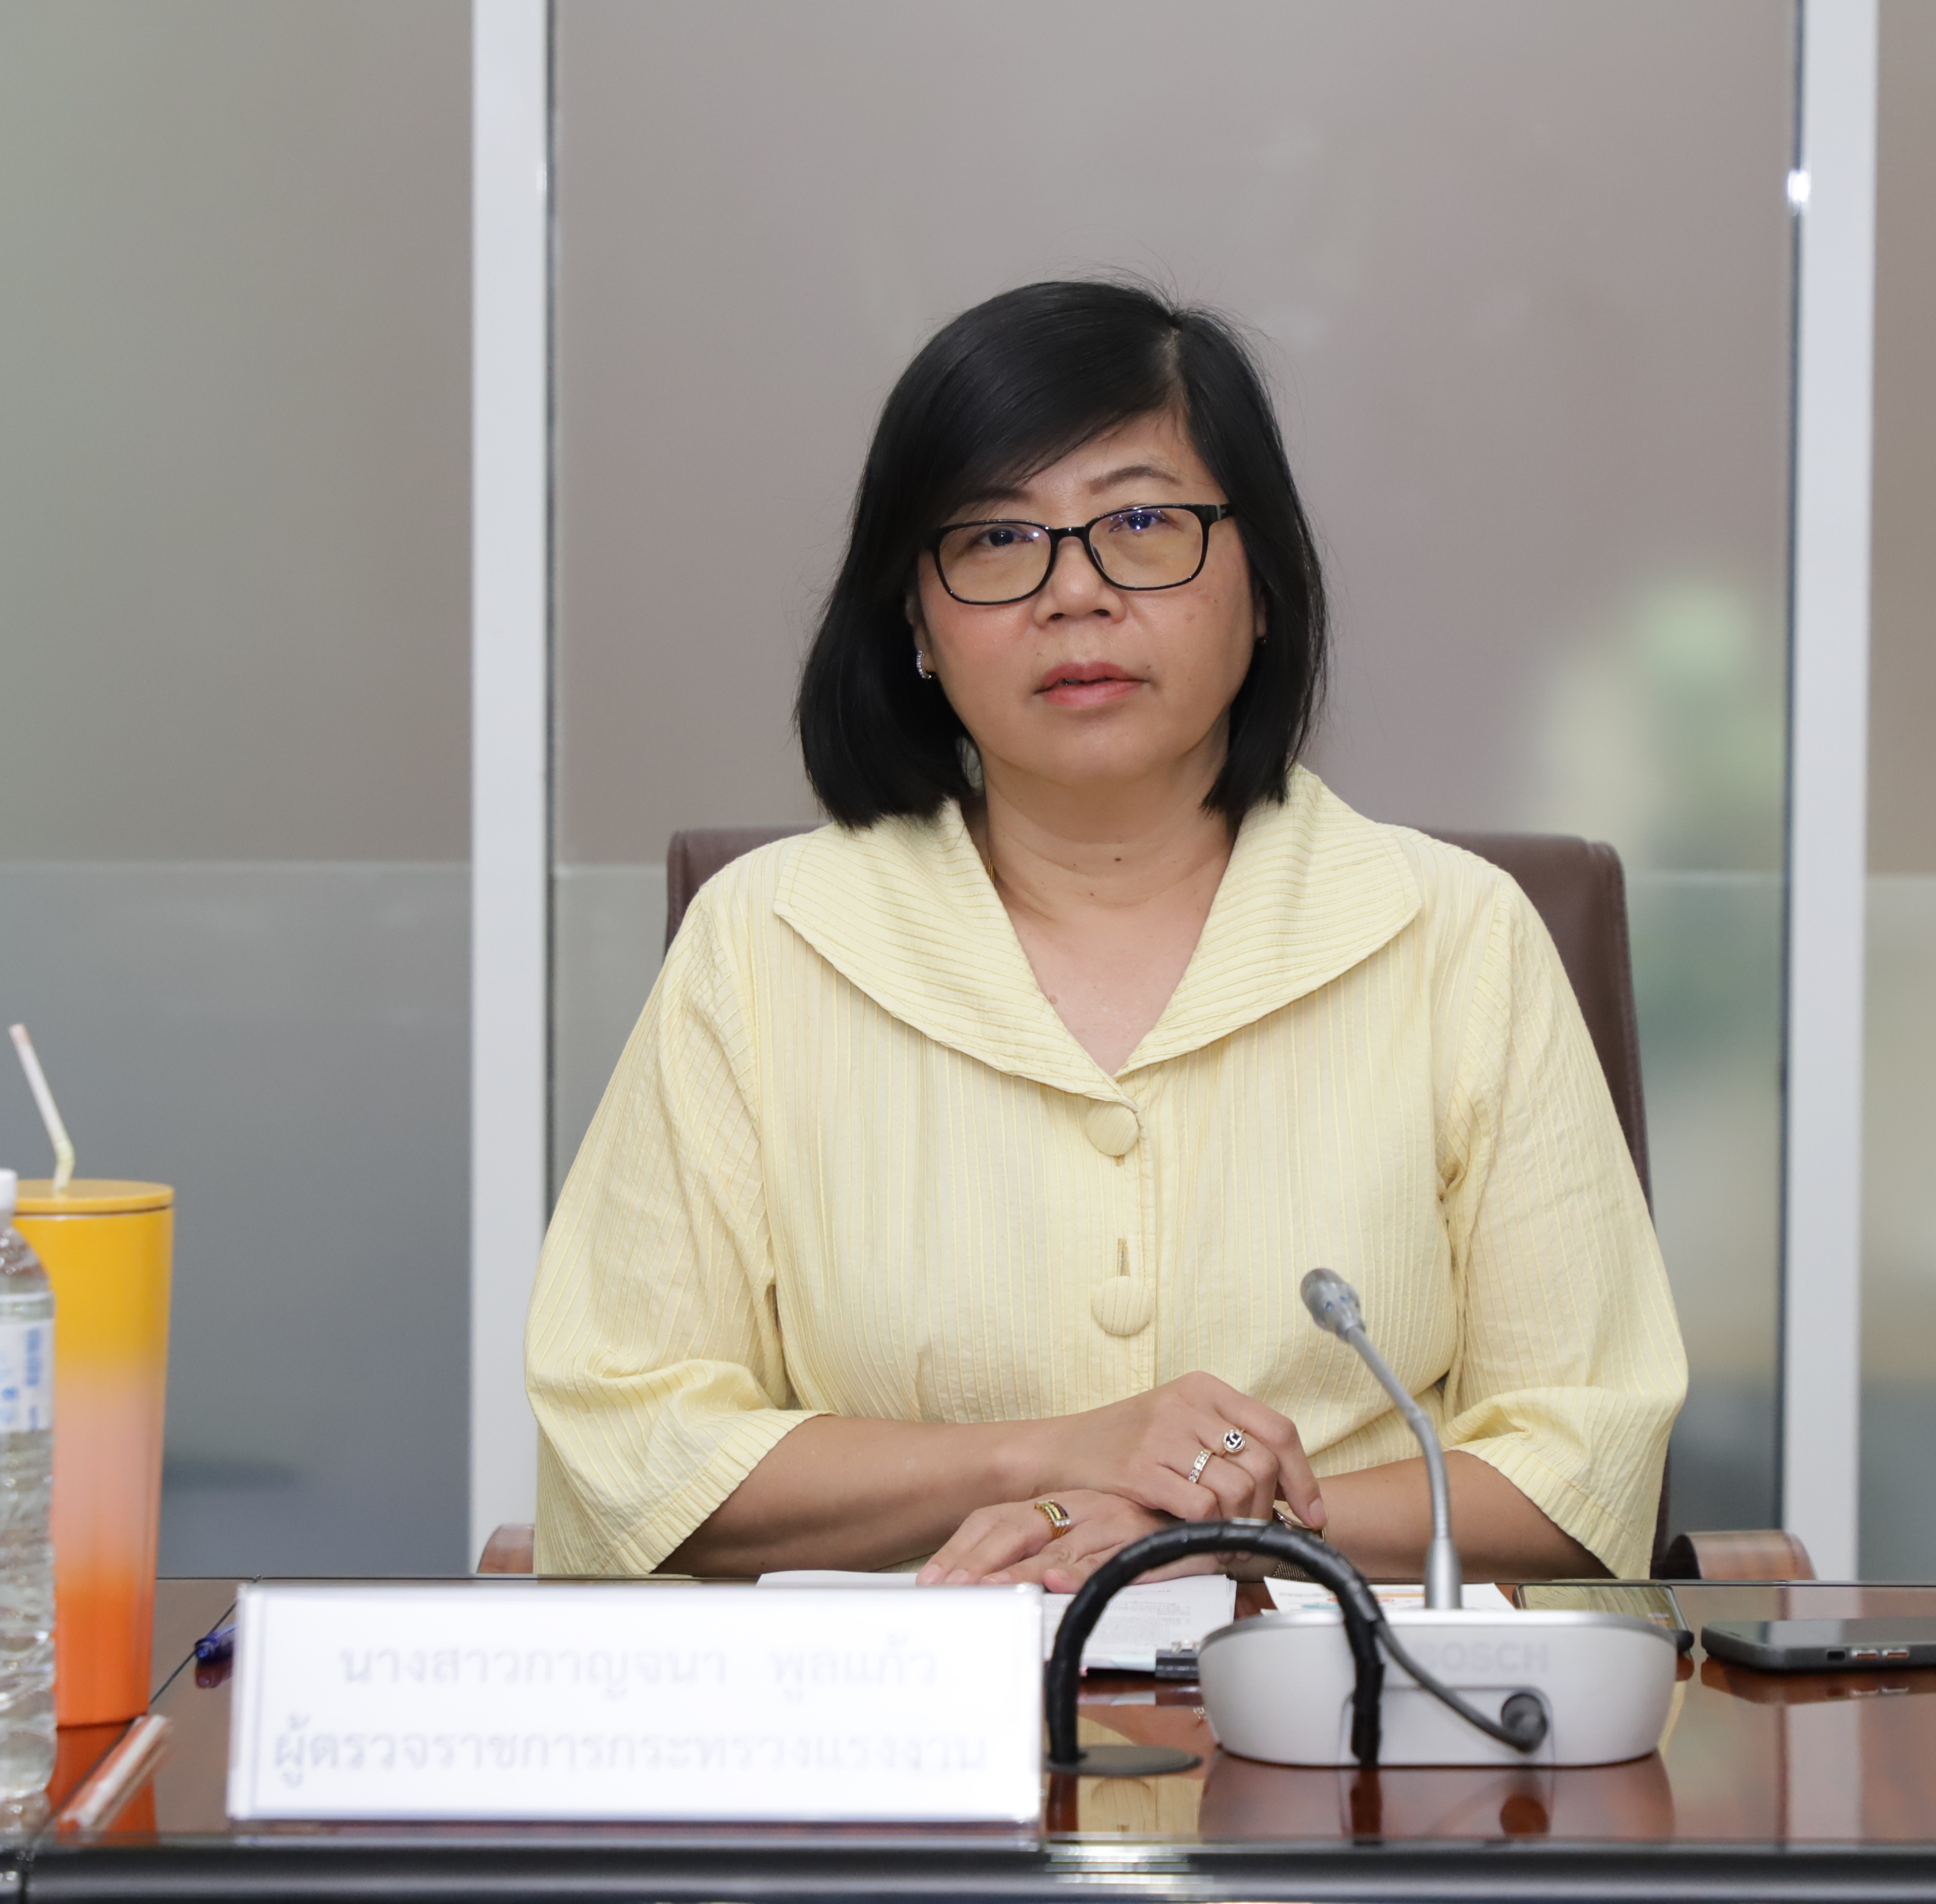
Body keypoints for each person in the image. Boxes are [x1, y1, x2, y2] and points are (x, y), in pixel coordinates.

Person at [526, 280, 1684, 1590]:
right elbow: (625, 1446)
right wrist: (1047, 1461)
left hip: (1340, 1700)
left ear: (1263, 588)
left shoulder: (1458, 937)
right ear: (915, 622)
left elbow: (1582, 1464)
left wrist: (1219, 1536)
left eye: (1142, 523)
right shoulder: (763, 941)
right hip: (903, 1700)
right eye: (995, 539)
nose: (1075, 593)